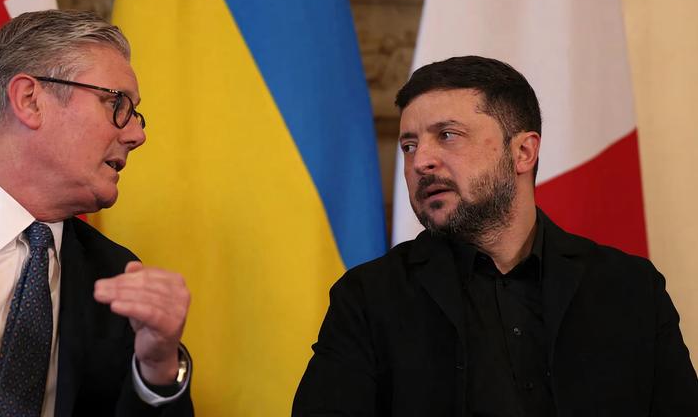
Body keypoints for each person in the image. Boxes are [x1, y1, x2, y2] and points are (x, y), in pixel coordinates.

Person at [293, 55, 698, 416]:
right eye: (409, 145)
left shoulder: (630, 288)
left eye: (447, 135)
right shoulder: (368, 297)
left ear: (523, 153)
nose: (420, 162)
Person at [0, 10, 193, 416]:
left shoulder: (116, 274)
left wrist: (158, 367)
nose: (137, 134)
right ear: (30, 100)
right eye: (117, 104)